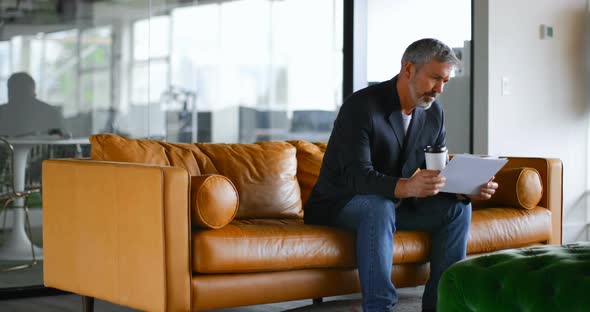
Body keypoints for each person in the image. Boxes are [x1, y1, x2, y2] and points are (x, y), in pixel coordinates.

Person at [303, 38, 498, 312]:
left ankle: (442, 305)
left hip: (393, 204)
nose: (439, 89)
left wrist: (463, 188)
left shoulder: (434, 114)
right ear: (409, 69)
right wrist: (407, 186)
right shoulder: (361, 107)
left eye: (445, 81)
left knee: (458, 209)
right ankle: (379, 307)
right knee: (378, 207)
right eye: (434, 79)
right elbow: (357, 176)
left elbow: (436, 171)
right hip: (340, 202)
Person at [0, 72, 64, 137]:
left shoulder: (50, 114)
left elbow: (58, 140)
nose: (19, 98)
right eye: (14, 92)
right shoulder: (1, 113)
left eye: (22, 92)